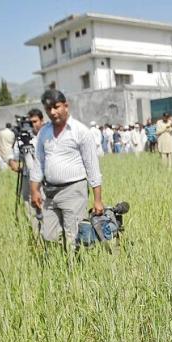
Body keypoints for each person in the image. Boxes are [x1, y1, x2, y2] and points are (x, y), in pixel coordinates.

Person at [29, 89, 104, 248]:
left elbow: (92, 167)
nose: (53, 112)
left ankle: (76, 264)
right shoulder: (44, 132)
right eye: (48, 109)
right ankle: (60, 261)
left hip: (74, 191)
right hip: (49, 193)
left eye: (56, 107)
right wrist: (34, 190)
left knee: (74, 238)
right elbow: (38, 163)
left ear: (66, 106)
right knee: (49, 236)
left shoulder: (80, 131)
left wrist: (97, 200)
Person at [7, 108, 46, 231]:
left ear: (41, 120)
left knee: (46, 206)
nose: (32, 125)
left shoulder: (47, 134)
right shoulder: (22, 139)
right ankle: (37, 235)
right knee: (30, 207)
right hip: (26, 177)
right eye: (30, 122)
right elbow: (13, 157)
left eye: (35, 121)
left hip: (44, 178)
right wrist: (12, 162)